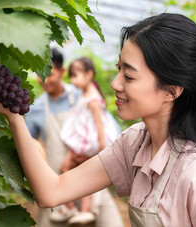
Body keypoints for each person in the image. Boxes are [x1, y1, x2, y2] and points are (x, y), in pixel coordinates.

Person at [0, 13, 196, 227]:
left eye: (128, 75)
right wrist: (14, 117)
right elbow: (52, 192)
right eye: (118, 69)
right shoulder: (136, 143)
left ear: (171, 91)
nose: (114, 83)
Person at [23, 48, 123, 227]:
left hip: (91, 180)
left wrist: (94, 154)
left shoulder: (81, 95)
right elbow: (28, 145)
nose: (43, 79)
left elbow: (110, 129)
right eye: (39, 74)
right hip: (57, 186)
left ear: (62, 72)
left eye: (49, 73)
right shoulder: (35, 108)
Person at [59, 57, 121, 225]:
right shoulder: (87, 93)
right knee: (76, 173)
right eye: (71, 76)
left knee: (70, 170)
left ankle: (75, 207)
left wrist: (102, 148)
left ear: (89, 74)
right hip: (84, 141)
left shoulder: (92, 98)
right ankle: (74, 207)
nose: (73, 80)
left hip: (87, 143)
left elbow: (99, 126)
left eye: (76, 75)